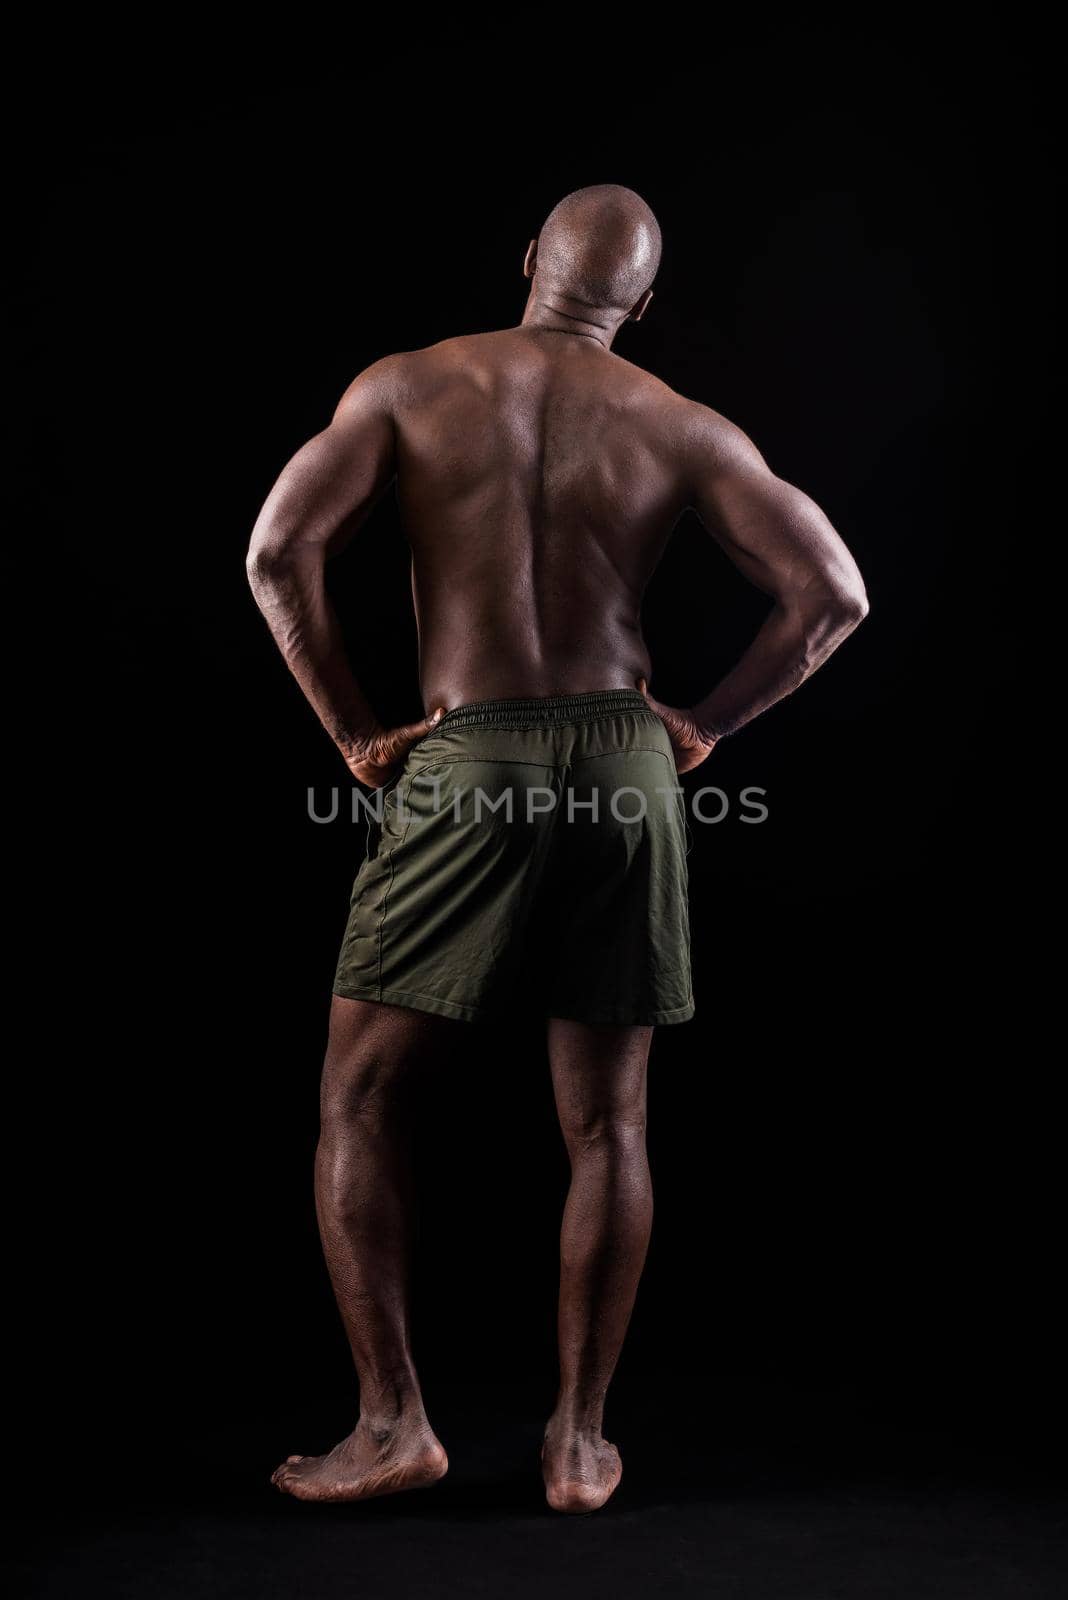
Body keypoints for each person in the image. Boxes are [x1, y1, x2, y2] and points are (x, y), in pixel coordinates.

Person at [246, 183, 869, 1513]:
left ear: (532, 263)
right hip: (623, 757)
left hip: (467, 753)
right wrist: (704, 723)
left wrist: (359, 737)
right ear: (640, 305)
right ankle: (580, 1445)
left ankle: (393, 1424)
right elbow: (835, 593)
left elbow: (278, 553)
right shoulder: (683, 425)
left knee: (357, 1099)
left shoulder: (407, 388)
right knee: (609, 1118)